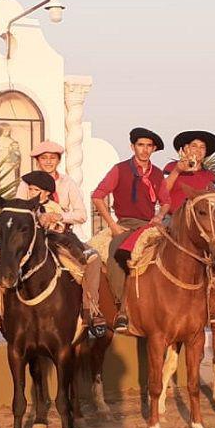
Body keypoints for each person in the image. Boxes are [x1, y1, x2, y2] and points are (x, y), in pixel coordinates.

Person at [0, 167, 109, 339]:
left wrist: (56, 218)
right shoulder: (23, 208)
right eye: (30, 189)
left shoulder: (54, 207)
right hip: (28, 247)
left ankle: (92, 309)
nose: (31, 193)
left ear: (47, 193)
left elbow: (62, 227)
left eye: (36, 190)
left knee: (92, 258)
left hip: (57, 241)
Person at [90, 127, 170, 333]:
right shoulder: (120, 169)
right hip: (126, 223)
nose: (145, 149)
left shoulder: (157, 173)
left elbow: (166, 202)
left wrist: (159, 216)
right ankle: (121, 307)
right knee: (117, 251)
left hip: (149, 225)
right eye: (141, 145)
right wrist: (113, 225)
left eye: (149, 146)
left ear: (153, 149)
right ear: (132, 146)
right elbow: (97, 196)